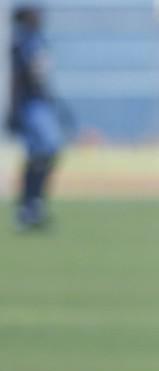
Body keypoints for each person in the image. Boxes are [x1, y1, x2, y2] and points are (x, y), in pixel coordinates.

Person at [6, 4, 66, 230]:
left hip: (41, 104)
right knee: (46, 149)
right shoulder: (22, 42)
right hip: (30, 106)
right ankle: (29, 203)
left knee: (41, 154)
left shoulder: (38, 39)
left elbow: (42, 77)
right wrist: (14, 110)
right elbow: (17, 79)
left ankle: (32, 204)